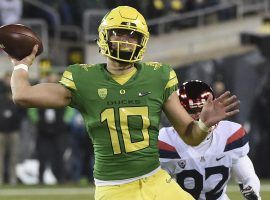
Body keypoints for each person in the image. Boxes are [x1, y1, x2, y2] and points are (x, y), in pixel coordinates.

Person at [9, 6, 239, 200]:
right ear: (104, 36)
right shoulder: (83, 79)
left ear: (142, 41)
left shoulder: (158, 76)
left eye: (132, 36)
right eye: (119, 33)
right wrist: (21, 64)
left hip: (155, 180)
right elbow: (22, 95)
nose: (126, 41)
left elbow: (190, 135)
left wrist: (203, 125)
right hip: (114, 189)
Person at [158, 80, 261, 200]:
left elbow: (247, 176)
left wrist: (252, 190)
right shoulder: (166, 141)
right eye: (192, 111)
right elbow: (155, 184)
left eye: (202, 110)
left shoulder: (229, 135)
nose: (199, 116)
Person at [0, 72, 24, 185]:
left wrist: (17, 123)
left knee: (14, 156)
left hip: (14, 130)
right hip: (1, 131)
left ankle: (12, 179)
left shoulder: (18, 89)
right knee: (0, 156)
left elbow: (22, 110)